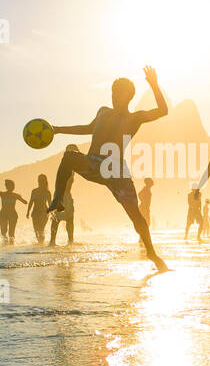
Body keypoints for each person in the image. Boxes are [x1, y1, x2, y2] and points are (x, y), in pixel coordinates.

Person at [44, 66, 169, 271]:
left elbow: (163, 111)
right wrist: (58, 130)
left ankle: (152, 253)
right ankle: (58, 199)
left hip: (116, 170)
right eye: (112, 93)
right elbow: (87, 128)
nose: (114, 97)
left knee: (135, 215)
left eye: (118, 94)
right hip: (93, 163)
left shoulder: (134, 118)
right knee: (68, 158)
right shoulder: (103, 111)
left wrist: (154, 85)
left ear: (129, 97)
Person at [48, 145, 78, 246]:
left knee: (66, 219)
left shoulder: (71, 166)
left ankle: (69, 241)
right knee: (59, 219)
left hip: (65, 195)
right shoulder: (67, 166)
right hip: (62, 195)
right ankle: (54, 241)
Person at [27, 174, 52, 244]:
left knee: (41, 229)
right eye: (39, 180)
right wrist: (28, 212)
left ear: (45, 181)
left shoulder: (47, 192)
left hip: (44, 213)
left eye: (42, 180)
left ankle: (41, 243)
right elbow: (31, 202)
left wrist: (52, 213)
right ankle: (40, 244)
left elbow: (50, 204)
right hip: (35, 213)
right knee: (36, 230)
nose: (40, 182)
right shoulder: (34, 191)